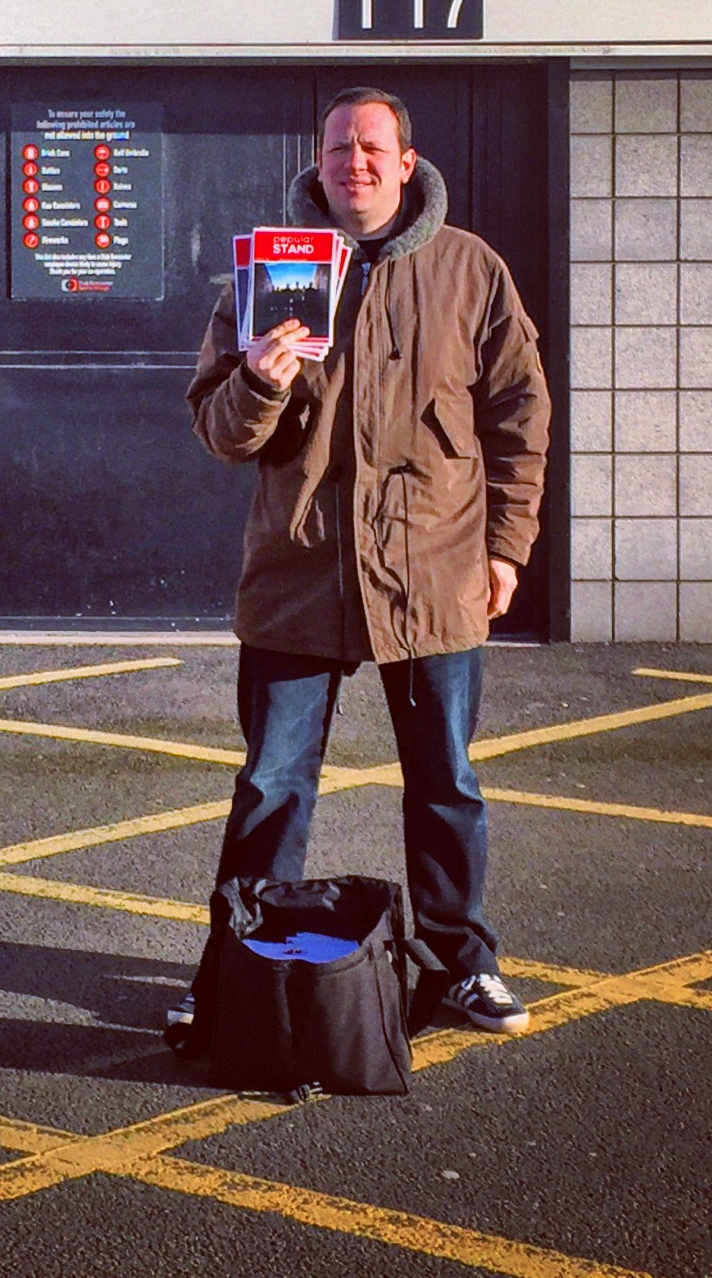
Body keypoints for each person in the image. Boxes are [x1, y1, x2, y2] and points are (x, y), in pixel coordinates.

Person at [173, 86, 550, 1038]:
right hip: (299, 575)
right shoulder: (267, 273)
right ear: (319, 161)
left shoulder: (471, 271)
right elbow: (219, 433)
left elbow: (519, 416)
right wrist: (260, 380)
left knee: (446, 784)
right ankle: (236, 970)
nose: (357, 163)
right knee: (270, 785)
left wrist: (506, 547)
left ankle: (460, 963)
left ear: (408, 160)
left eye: (373, 147)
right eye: (340, 147)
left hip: (434, 571)